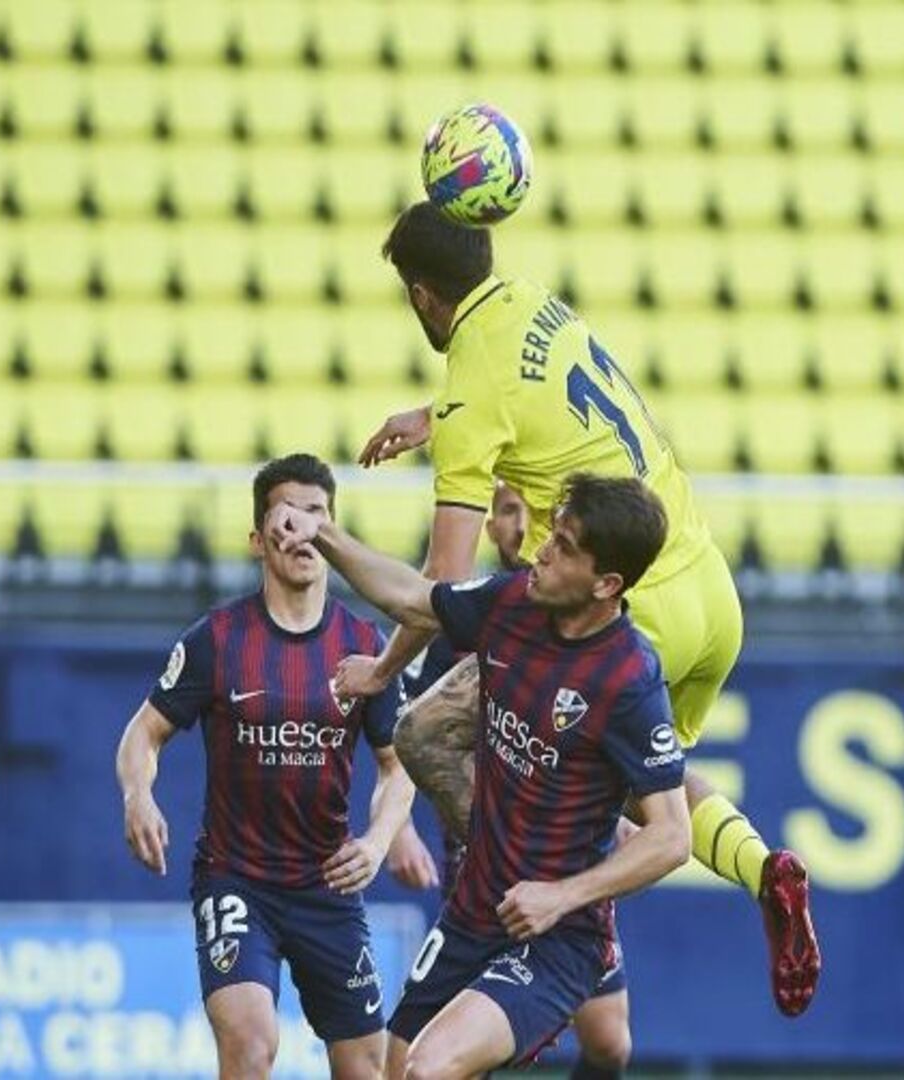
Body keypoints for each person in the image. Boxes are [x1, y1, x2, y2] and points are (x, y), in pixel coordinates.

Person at [342, 201, 821, 1017]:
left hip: (628, 608)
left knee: (426, 731)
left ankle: (543, 906)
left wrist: (381, 671)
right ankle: (761, 867)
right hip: (709, 592)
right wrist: (433, 417)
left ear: (421, 295)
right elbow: (525, 397)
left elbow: (441, 585)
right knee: (653, 780)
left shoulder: (471, 394)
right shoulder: (533, 301)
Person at [270, 473, 691, 1079]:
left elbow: (672, 836)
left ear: (607, 584)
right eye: (551, 534)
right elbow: (410, 597)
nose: (541, 550)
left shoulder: (628, 678)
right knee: (397, 1069)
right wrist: (323, 532)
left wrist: (560, 895)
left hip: (558, 934)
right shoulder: (513, 602)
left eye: (565, 546)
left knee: (435, 1066)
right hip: (474, 909)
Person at [115, 453, 418, 1080]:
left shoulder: (367, 648)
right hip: (236, 880)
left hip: (328, 887)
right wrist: (137, 795)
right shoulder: (218, 639)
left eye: (317, 516)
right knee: (252, 1045)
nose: (302, 530)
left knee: (367, 1068)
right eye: (287, 516)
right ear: (259, 539)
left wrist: (378, 840)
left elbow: (399, 767)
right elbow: (143, 733)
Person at [402, 479, 635, 1079]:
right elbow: (409, 733)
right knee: (422, 1060)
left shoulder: (604, 649)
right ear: (491, 526)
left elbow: (633, 775)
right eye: (509, 511)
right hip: (478, 876)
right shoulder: (466, 623)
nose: (525, 527)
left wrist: (624, 821)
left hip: (561, 885)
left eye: (537, 515)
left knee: (609, 1041)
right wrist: (396, 829)